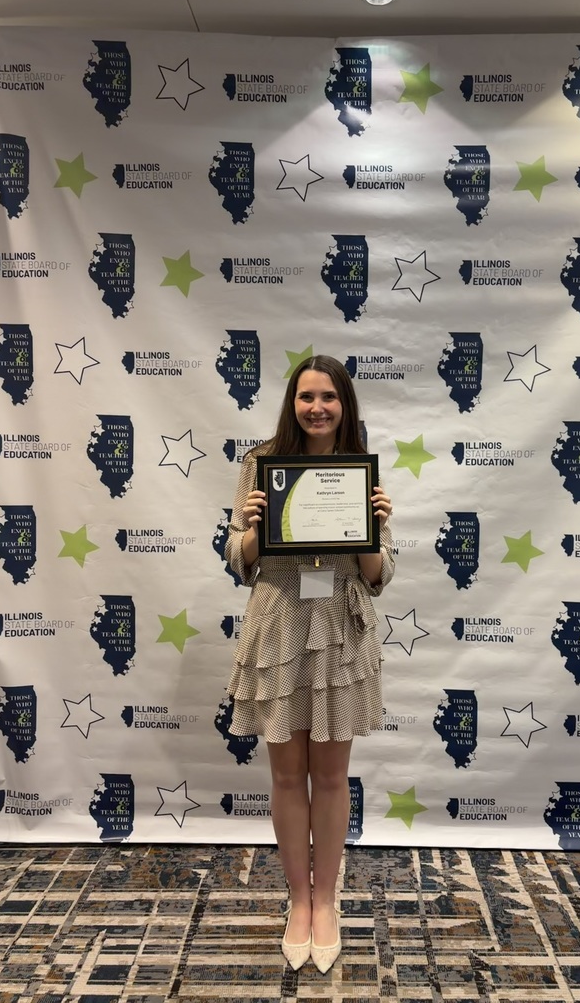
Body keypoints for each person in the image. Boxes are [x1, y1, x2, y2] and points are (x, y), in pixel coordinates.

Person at [224, 355, 394, 973]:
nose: (317, 407)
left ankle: (328, 899)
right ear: (291, 403)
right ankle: (299, 899)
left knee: (330, 776)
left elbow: (378, 578)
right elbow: (237, 557)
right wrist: (248, 528)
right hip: (278, 627)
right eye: (306, 397)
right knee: (287, 775)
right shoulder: (260, 462)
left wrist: (375, 530)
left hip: (338, 633)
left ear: (344, 404)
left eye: (328, 397)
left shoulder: (359, 470)